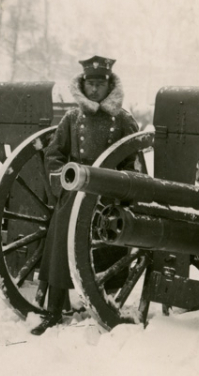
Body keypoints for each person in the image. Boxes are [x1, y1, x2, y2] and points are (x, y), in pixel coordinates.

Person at [31, 55, 139, 336]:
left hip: (107, 196)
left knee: (108, 248)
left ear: (108, 86)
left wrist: (121, 193)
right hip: (75, 193)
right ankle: (54, 310)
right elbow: (54, 153)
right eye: (89, 84)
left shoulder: (124, 120)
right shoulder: (72, 118)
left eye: (99, 85)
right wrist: (63, 184)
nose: (94, 90)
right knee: (60, 240)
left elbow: (132, 163)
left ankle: (107, 304)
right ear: (83, 84)